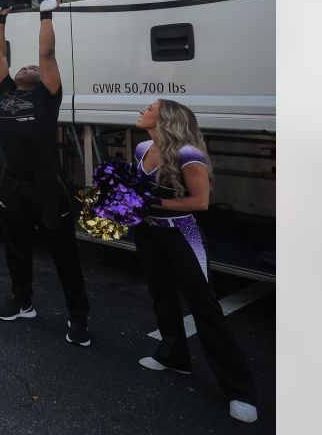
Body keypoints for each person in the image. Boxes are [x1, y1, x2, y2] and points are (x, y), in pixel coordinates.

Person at [132, 99, 259, 423]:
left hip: (181, 234)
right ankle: (173, 355)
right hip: (149, 232)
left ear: (165, 119)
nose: (142, 110)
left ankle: (240, 391)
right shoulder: (143, 147)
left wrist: (152, 199)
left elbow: (200, 201)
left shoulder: (188, 154)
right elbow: (138, 192)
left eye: (150, 108)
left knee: (205, 308)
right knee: (160, 295)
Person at [0, 2, 90, 345]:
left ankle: (78, 318)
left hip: (46, 185)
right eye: (25, 64)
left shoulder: (48, 96)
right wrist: (0, 16)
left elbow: (47, 51)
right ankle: (22, 301)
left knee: (64, 253)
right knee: (15, 248)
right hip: (11, 183)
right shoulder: (3, 92)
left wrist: (45, 14)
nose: (30, 65)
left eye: (34, 66)